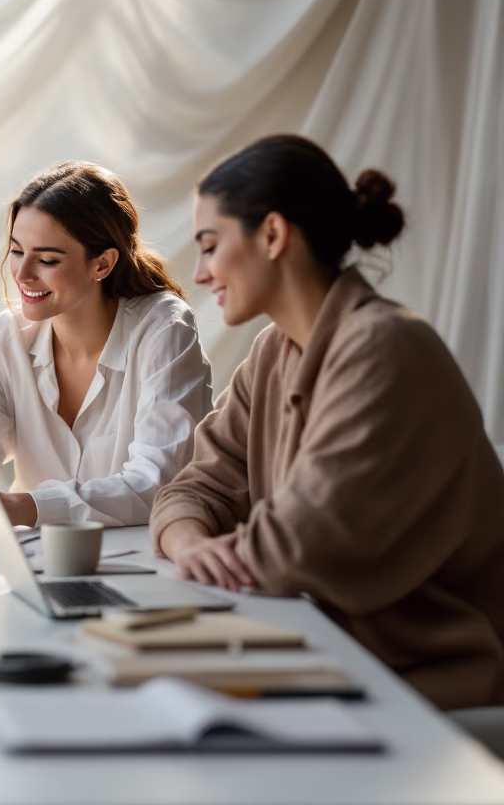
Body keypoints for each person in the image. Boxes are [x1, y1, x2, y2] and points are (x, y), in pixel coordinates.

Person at [151, 134, 504, 710]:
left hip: (427, 677)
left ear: (272, 235)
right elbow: (197, 485)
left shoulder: (387, 349)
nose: (201, 273)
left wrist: (203, 553)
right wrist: (190, 542)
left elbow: (297, 547)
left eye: (211, 246)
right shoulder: (273, 350)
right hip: (327, 649)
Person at [0, 161, 212, 537]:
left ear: (102, 263)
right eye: (17, 251)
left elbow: (158, 481)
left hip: (150, 560)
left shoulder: (164, 327)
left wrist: (25, 505)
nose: (21, 274)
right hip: (37, 561)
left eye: (47, 259)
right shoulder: (9, 337)